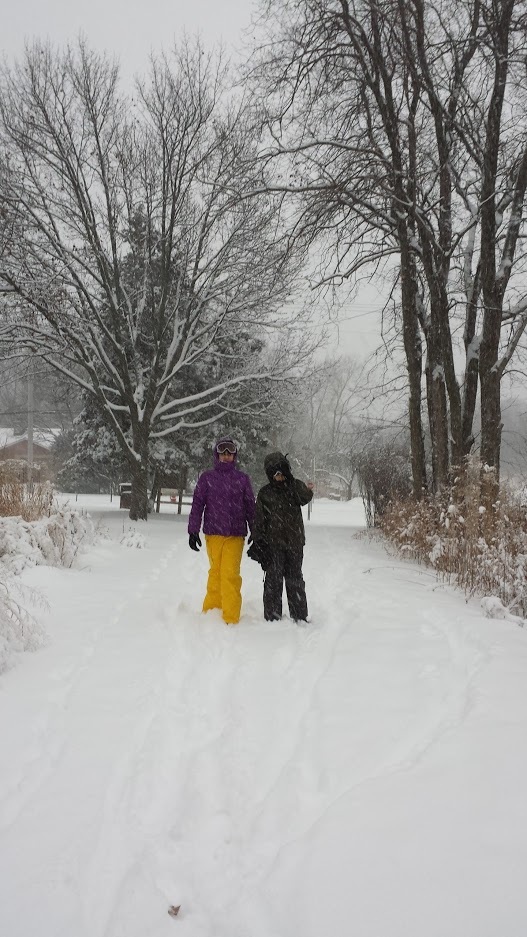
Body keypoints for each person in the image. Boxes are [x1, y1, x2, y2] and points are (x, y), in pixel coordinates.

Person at [188, 438, 255, 625]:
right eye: (222, 453)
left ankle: (230, 617)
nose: (226, 456)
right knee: (215, 572)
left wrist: (256, 531)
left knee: (230, 574)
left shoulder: (242, 479)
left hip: (235, 535)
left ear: (234, 456)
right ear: (216, 455)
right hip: (213, 533)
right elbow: (197, 505)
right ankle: (211, 612)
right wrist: (193, 530)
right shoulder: (207, 478)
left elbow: (250, 506)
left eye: (230, 453)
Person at [249, 451, 313, 623]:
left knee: (295, 579)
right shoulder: (265, 493)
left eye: (282, 472)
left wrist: (301, 486)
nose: (279, 476)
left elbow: (305, 497)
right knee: (273, 580)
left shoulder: (293, 487)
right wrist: (258, 541)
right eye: (275, 473)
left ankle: (299, 615)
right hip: (273, 545)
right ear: (269, 474)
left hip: (294, 543)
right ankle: (272, 615)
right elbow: (259, 519)